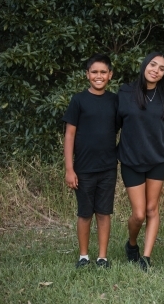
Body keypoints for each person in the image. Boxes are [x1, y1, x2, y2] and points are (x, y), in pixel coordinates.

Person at [117, 51, 164, 271]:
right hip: (131, 159)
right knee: (138, 214)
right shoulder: (125, 92)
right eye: (153, 65)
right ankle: (132, 244)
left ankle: (146, 258)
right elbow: (114, 123)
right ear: (144, 65)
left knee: (152, 209)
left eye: (161, 68)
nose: (156, 71)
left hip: (157, 158)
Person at [62, 53, 118, 269]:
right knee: (85, 213)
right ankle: (84, 256)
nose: (98, 76)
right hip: (83, 168)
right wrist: (69, 168)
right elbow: (69, 135)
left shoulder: (114, 100)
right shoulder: (78, 100)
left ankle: (102, 257)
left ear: (110, 75)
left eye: (103, 72)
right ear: (87, 75)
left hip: (107, 167)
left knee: (104, 212)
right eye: (94, 72)